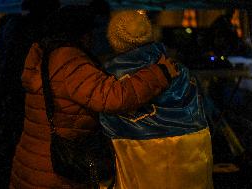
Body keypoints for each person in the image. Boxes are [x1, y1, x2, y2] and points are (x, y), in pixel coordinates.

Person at [9, 5, 177, 189]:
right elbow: (113, 97)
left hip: (33, 163)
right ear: (80, 34)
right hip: (56, 172)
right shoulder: (69, 61)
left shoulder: (46, 54)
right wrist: (160, 73)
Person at [99, 10, 213, 189]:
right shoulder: (180, 71)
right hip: (190, 151)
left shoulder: (110, 81)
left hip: (137, 152)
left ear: (114, 40)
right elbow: (205, 108)